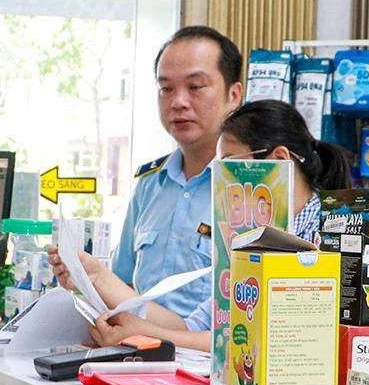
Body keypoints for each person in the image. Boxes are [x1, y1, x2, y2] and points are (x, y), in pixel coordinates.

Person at [59, 100, 352, 353]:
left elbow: (261, 341)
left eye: (229, 167)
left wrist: (144, 333)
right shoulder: (252, 239)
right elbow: (194, 326)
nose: (221, 182)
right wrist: (98, 277)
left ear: (278, 160)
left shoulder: (328, 239)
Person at [108, 26, 244, 317]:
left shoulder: (249, 187)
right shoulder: (149, 184)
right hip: (139, 356)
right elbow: (120, 283)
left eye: (195, 87)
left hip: (213, 358)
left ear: (233, 95)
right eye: (166, 89)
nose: (178, 102)